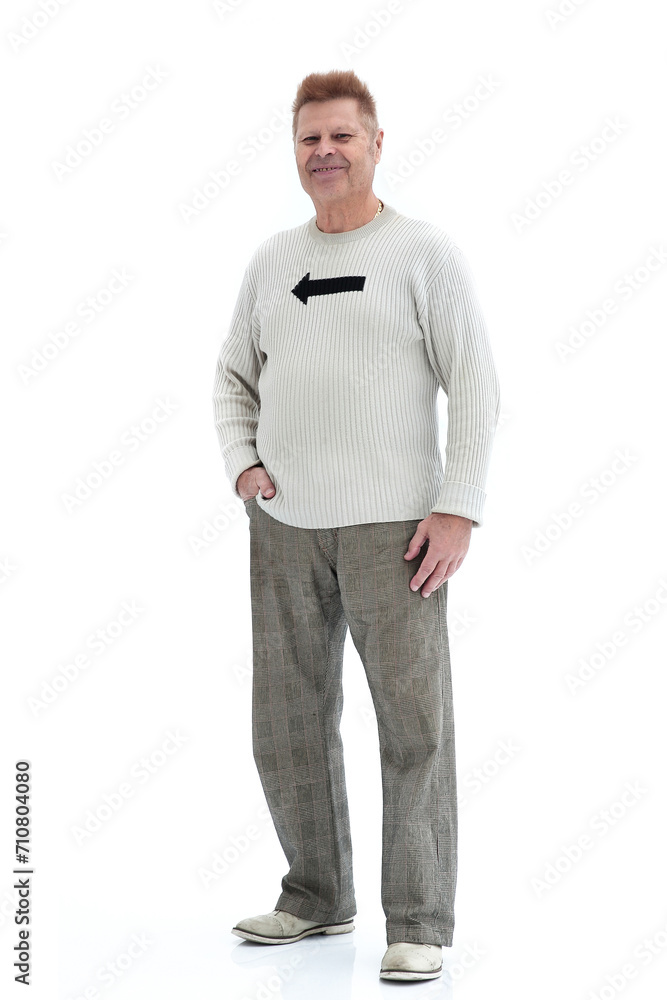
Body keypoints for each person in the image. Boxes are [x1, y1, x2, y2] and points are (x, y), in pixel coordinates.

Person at [212, 68, 501, 983]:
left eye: (341, 135)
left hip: (397, 532)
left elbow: (476, 383)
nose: (324, 151)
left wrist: (457, 507)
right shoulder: (271, 260)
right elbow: (232, 376)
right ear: (294, 152)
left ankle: (417, 920)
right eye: (309, 138)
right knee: (286, 721)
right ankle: (314, 896)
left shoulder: (421, 253)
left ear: (376, 144)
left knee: (413, 727)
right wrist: (244, 465)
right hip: (284, 525)